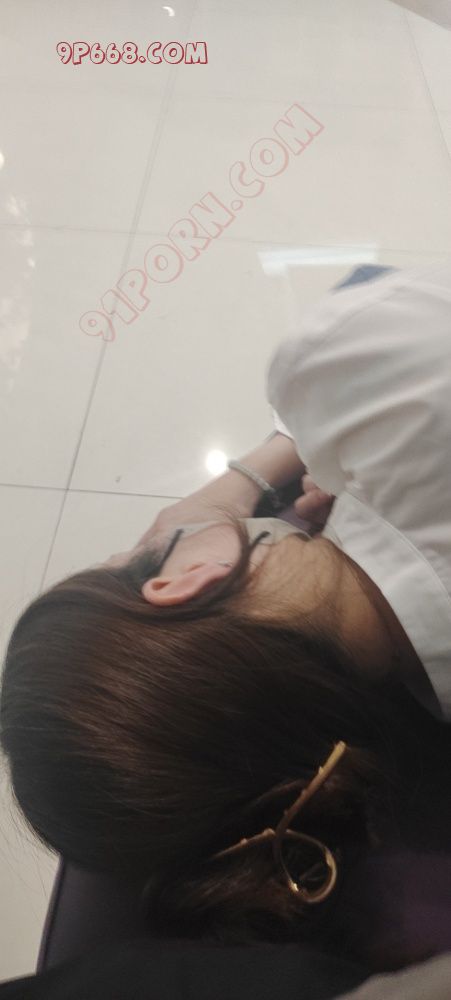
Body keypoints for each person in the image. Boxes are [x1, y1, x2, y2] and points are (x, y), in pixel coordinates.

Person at [1, 263, 451, 978]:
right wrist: (246, 480)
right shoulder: (359, 362)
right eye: (124, 559)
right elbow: (384, 304)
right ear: (180, 581)